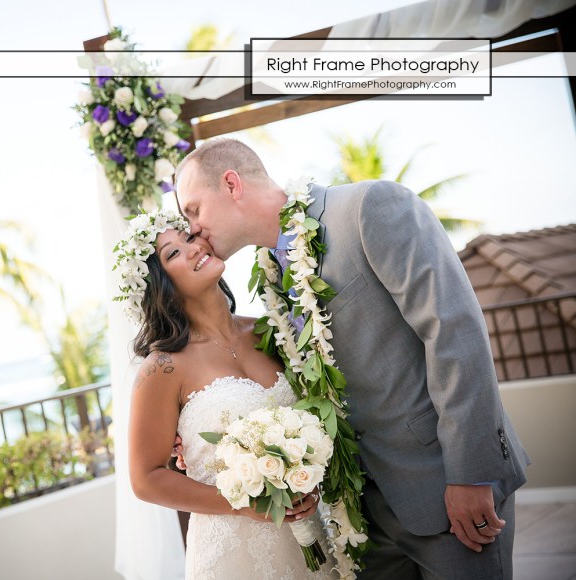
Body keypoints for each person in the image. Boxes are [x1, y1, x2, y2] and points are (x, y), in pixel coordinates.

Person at [171, 138, 529, 579]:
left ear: (231, 184)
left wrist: (471, 475)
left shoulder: (368, 208)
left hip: (445, 488)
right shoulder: (271, 276)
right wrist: (202, 436)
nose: (192, 230)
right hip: (361, 513)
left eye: (193, 210)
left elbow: (455, 333)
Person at [118, 211, 338, 580]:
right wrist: (243, 504)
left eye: (189, 238)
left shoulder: (272, 331)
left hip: (310, 530)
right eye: (173, 254)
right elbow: (146, 478)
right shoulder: (162, 368)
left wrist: (309, 479)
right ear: (160, 286)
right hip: (232, 551)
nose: (193, 249)